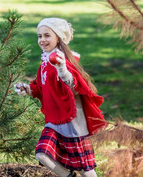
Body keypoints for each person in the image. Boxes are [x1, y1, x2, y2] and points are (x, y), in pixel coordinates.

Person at [14, 18, 107, 177]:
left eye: (47, 35)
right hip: (55, 120)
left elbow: (73, 85)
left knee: (85, 169)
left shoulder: (64, 61)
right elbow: (41, 87)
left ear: (58, 37)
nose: (42, 40)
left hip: (72, 122)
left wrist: (62, 69)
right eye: (39, 36)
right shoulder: (44, 62)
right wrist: (28, 89)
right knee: (42, 154)